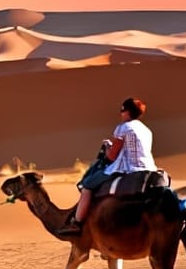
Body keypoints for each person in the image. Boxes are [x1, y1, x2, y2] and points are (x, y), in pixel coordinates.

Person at [63, 97, 154, 236]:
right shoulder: (146, 130)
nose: (121, 114)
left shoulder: (124, 128)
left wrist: (107, 149)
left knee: (87, 186)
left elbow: (112, 156)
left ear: (128, 112)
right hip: (148, 168)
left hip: (127, 169)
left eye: (122, 110)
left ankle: (77, 223)